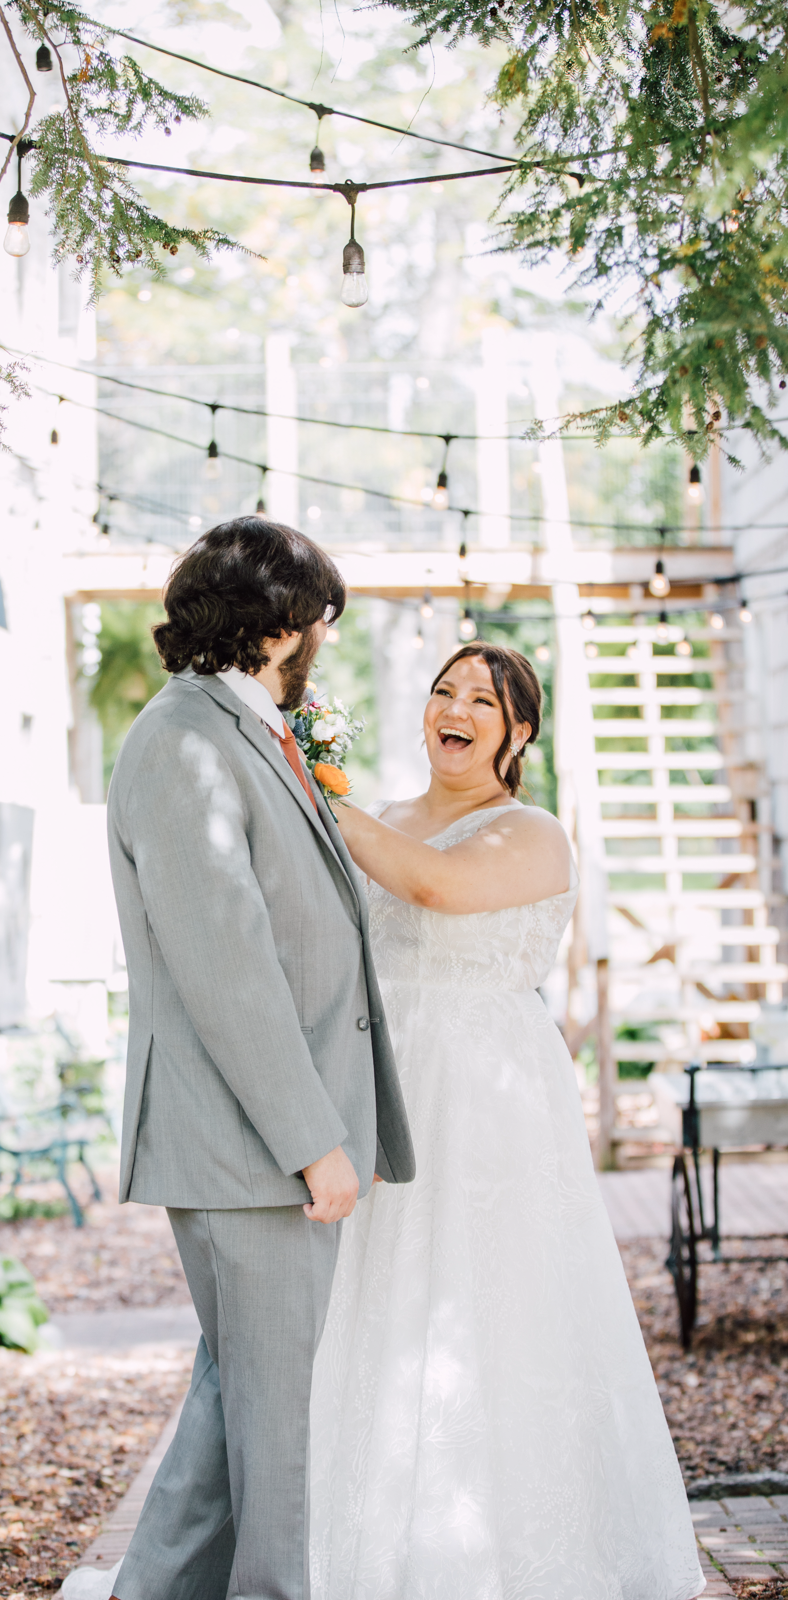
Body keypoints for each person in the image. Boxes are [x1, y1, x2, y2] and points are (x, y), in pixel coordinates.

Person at [308, 642, 704, 1600]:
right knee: (375, 1304)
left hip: (488, 1096)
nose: (456, 708)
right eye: (444, 691)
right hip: (377, 1081)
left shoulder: (530, 832)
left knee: (498, 1305)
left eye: (482, 700)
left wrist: (310, 787)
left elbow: (436, 887)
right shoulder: (383, 815)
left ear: (517, 731)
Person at [101, 517, 415, 1600]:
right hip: (250, 1147)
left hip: (262, 1145)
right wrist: (310, 1139)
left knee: (236, 1404)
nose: (321, 636)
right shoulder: (181, 741)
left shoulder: (245, 728)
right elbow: (226, 967)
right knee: (277, 1431)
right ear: (280, 621)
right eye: (317, 616)